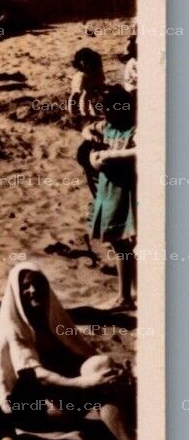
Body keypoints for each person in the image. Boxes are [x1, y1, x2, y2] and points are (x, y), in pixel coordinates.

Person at [0, 264, 136, 440]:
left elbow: (80, 351)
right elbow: (36, 375)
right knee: (102, 388)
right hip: (32, 411)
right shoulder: (13, 327)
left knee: (103, 365)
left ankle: (130, 433)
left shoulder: (51, 317)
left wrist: (112, 371)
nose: (33, 290)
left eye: (38, 284)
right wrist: (84, 383)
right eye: (26, 286)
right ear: (16, 291)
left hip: (59, 398)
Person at [86, 86, 136, 310]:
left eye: (109, 109)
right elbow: (87, 129)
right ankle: (132, 292)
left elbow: (141, 151)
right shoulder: (108, 126)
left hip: (125, 191)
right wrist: (90, 140)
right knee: (120, 243)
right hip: (109, 189)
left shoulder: (134, 129)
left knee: (123, 243)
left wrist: (107, 156)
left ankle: (125, 297)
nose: (105, 114)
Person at [67, 47, 106, 118]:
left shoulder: (96, 60)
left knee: (89, 94)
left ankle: (88, 113)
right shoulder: (81, 74)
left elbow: (99, 73)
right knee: (81, 93)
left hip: (93, 76)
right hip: (84, 76)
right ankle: (79, 114)